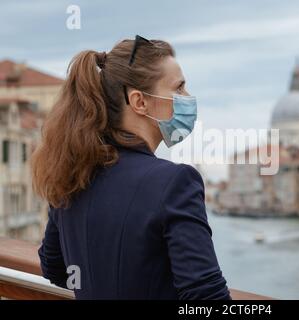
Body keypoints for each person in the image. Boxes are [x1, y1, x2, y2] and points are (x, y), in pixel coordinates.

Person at [32, 35, 231, 300]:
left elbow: (54, 268)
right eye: (179, 88)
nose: (188, 97)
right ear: (139, 102)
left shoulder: (74, 172)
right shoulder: (175, 182)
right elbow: (207, 298)